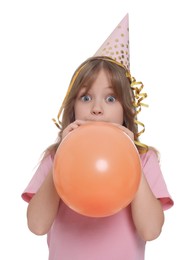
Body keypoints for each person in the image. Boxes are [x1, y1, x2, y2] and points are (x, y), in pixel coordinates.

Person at [21, 14, 174, 260]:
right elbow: (37, 226)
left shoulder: (144, 159)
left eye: (111, 98)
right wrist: (61, 159)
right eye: (86, 97)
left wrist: (130, 158)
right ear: (73, 108)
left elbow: (151, 229)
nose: (97, 108)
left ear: (126, 109)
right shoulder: (55, 156)